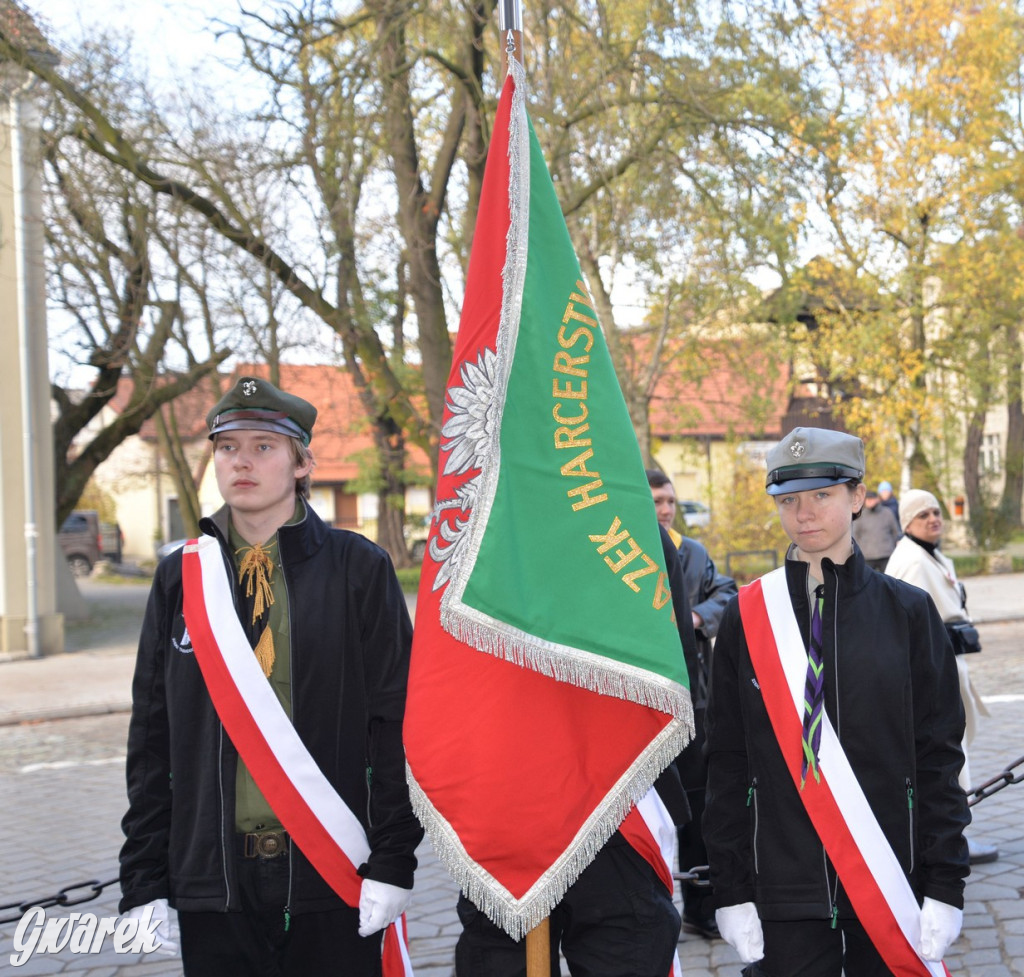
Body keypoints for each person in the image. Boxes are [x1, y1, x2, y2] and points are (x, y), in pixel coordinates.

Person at [119, 375, 423, 976]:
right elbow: (152, 741)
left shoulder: (357, 568)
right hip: (213, 874)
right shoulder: (180, 577)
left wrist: (394, 861)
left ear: (301, 462)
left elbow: (396, 724)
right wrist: (143, 878)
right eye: (228, 447)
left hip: (332, 864)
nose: (242, 462)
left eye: (264, 446)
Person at [704, 427, 970, 976]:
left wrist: (946, 882)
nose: (804, 514)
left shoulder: (909, 613)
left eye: (822, 495)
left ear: (856, 496)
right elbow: (727, 761)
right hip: (784, 890)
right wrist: (730, 888)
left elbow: (939, 756)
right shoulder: (748, 618)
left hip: (891, 877)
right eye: (789, 500)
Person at [454, 526, 697, 977]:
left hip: (615, 799)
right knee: (500, 957)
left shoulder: (627, 514)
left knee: (626, 946)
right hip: (509, 797)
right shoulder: (479, 511)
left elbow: (676, 669)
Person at [885, 488, 998, 865]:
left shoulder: (931, 555)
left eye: (936, 512)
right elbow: (908, 628)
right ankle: (952, 841)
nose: (933, 519)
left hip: (948, 662)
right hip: (932, 672)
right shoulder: (913, 562)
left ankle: (951, 836)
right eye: (923, 515)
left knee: (955, 750)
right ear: (907, 523)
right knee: (949, 755)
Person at [647, 468, 737, 939]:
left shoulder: (691, 552)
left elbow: (727, 590)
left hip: (694, 702)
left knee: (700, 812)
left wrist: (701, 615)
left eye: (669, 502)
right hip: (643, 706)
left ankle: (702, 908)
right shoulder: (621, 549)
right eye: (655, 501)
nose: (664, 510)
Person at [851, 489, 902, 571]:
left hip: (886, 554)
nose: (869, 501)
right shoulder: (860, 516)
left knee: (888, 581)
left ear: (877, 499)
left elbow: (896, 532)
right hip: (867, 556)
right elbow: (855, 535)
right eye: (867, 499)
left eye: (872, 499)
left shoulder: (887, 513)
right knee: (867, 582)